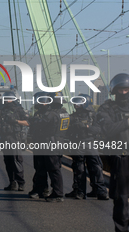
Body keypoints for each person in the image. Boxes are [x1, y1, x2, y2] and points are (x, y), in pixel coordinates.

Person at [97, 73, 129, 231]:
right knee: (121, 198)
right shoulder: (106, 108)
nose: (124, 93)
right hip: (120, 158)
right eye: (120, 90)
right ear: (114, 91)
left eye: (126, 89)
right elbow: (108, 129)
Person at [65, 94, 109, 200]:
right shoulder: (72, 117)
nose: (76, 105)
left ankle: (100, 191)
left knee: (96, 167)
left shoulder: (93, 116)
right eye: (75, 103)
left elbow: (99, 129)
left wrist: (86, 126)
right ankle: (79, 192)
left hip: (90, 143)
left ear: (85, 103)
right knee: (79, 168)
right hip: (77, 144)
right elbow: (67, 132)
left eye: (79, 102)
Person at [39, 91, 70, 202]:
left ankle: (57, 193)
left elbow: (40, 125)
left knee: (53, 169)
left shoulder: (50, 114)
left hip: (51, 143)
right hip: (60, 143)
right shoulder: (65, 113)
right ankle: (57, 192)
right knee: (57, 168)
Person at [0, 91, 29, 191]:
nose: (7, 100)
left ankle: (21, 183)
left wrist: (15, 121)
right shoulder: (1, 110)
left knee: (16, 160)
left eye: (9, 98)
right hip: (4, 138)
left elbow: (27, 122)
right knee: (8, 161)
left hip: (14, 138)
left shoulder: (18, 110)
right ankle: (12, 183)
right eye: (6, 98)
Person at [28, 92, 50, 199]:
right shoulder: (38, 113)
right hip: (38, 143)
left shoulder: (49, 113)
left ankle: (43, 190)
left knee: (46, 168)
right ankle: (40, 188)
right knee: (38, 167)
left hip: (46, 143)